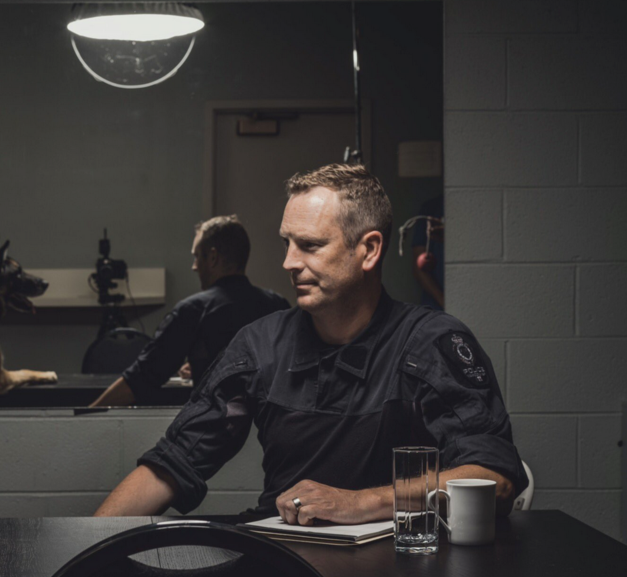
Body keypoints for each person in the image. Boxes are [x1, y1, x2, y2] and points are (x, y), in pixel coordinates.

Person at [95, 164, 527, 523]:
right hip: (286, 564)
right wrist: (83, 546)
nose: (289, 262)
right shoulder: (261, 343)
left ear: (369, 250)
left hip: (402, 572)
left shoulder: (431, 343)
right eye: (287, 243)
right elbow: (174, 463)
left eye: (310, 246)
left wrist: (360, 502)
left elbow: (494, 477)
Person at [89, 215, 289, 407]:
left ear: (212, 257)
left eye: (196, 256)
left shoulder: (193, 310)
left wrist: (89, 413)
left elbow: (143, 378)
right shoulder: (278, 305)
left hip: (218, 433)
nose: (194, 267)